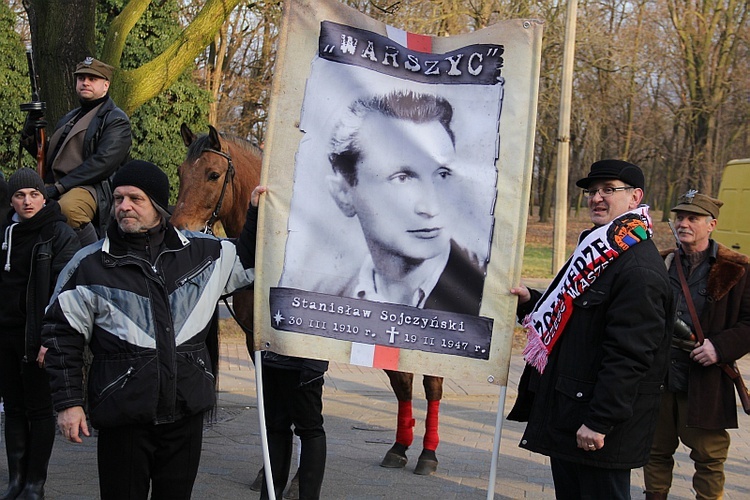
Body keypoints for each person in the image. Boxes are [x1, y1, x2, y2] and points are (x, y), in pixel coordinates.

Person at [41, 160, 263, 499]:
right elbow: (60, 338)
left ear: (158, 205)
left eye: (135, 198)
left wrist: (257, 213)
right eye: (117, 199)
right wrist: (69, 403)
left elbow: (248, 260)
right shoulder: (89, 266)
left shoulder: (204, 255)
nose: (124, 206)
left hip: (185, 414)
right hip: (125, 416)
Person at [507, 159, 674, 499]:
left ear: (635, 197)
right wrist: (532, 302)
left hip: (598, 425)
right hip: (572, 409)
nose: (597, 198)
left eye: (608, 190)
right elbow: (579, 316)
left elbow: (630, 355)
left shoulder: (636, 266)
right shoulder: (602, 250)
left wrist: (600, 421)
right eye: (592, 191)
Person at [327, 89, 485, 313]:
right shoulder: (326, 297)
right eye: (401, 178)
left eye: (442, 174)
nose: (431, 208)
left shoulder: (486, 295)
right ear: (343, 193)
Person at [643, 192, 750, 499]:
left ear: (711, 224)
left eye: (693, 218)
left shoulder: (737, 268)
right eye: (679, 217)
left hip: (704, 379)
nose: (683, 223)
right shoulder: (660, 262)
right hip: (660, 376)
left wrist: (720, 346)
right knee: (654, 452)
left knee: (710, 457)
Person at [0, 168, 80, 499]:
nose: (27, 201)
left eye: (33, 194)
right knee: (14, 408)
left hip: (38, 337)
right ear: (12, 200)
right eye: (20, 196)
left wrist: (51, 339)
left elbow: (66, 291)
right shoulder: (6, 233)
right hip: (6, 335)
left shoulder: (59, 234)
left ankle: (35, 483)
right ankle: (16, 480)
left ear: (43, 197)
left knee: (39, 409)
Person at [22, 57, 132, 244]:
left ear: (106, 86)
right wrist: (30, 129)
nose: (85, 82)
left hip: (93, 186)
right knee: (17, 200)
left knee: (68, 209)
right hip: (58, 184)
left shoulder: (116, 119)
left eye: (92, 79)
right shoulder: (69, 118)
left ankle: (94, 258)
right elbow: (49, 157)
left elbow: (103, 163)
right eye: (81, 78)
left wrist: (59, 187)